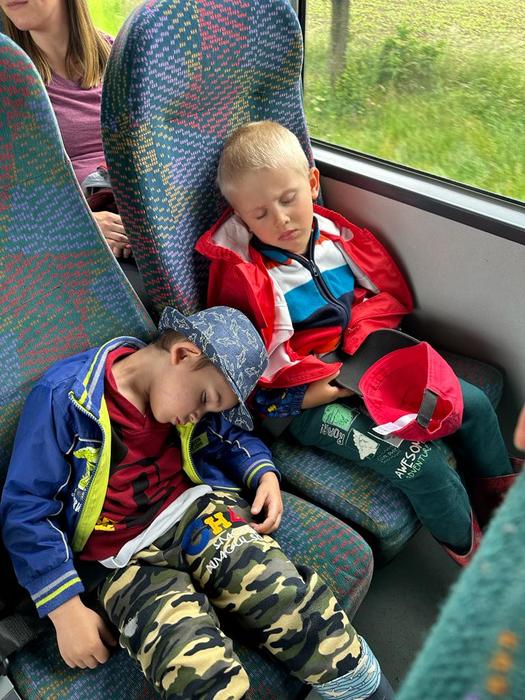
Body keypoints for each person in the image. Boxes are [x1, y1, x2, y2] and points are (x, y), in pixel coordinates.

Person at [0, 305, 393, 700]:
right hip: (121, 561)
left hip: (197, 512)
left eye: (209, 408)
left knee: (284, 596)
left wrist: (264, 473)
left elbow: (230, 436)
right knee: (191, 668)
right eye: (205, 399)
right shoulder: (67, 399)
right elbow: (28, 508)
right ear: (183, 354)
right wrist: (65, 608)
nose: (197, 416)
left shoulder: (186, 393)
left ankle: (366, 689)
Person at [196, 119, 518, 567]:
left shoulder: (336, 239)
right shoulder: (248, 280)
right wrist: (325, 389)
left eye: (288, 199)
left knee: (474, 405)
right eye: (260, 214)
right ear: (240, 217)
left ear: (312, 183)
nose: (281, 219)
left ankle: (501, 506)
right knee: (421, 467)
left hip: (365, 365)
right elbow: (248, 382)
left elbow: (378, 299)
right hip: (307, 402)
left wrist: (369, 351)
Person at [0, 0, 130, 261]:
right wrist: (80, 224)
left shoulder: (121, 56)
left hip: (141, 218)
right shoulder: (9, 81)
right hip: (79, 248)